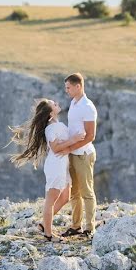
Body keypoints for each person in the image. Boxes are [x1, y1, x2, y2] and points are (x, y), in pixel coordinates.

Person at [8, 98, 86, 242]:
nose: (56, 103)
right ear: (50, 114)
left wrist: (70, 145)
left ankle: (44, 224)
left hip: (63, 164)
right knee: (51, 200)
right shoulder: (51, 128)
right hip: (56, 166)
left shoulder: (58, 124)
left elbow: (61, 146)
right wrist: (74, 139)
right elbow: (56, 148)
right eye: (53, 104)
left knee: (65, 197)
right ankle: (48, 235)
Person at [55, 72, 99, 238]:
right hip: (73, 153)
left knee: (87, 192)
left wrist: (69, 148)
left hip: (83, 155)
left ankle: (90, 228)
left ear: (78, 86)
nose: (66, 91)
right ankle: (76, 226)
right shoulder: (74, 102)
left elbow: (90, 136)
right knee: (74, 192)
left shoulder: (88, 107)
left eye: (68, 87)